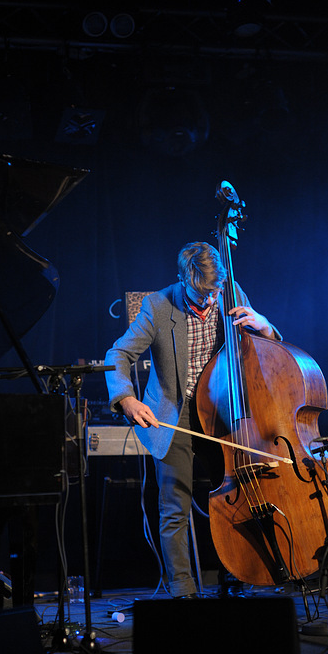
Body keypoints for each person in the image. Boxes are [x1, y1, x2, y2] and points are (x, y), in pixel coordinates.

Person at [105, 241, 281, 598]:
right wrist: (126, 399)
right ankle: (183, 589)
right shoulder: (157, 305)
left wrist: (266, 328)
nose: (209, 302)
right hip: (177, 412)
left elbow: (262, 350)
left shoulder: (230, 293)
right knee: (175, 503)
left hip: (222, 410)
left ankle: (239, 575)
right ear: (183, 278)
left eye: (214, 293)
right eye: (201, 294)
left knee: (237, 494)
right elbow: (118, 353)